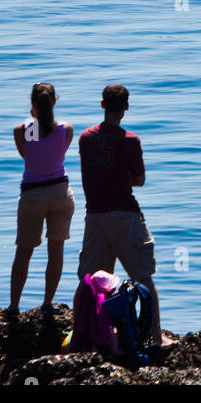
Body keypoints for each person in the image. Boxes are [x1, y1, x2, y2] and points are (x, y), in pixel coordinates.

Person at [74, 83, 174, 347]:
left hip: (94, 216)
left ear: (102, 104)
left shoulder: (85, 138)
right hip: (125, 216)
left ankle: (80, 333)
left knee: (89, 281)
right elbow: (139, 179)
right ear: (126, 107)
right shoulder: (130, 140)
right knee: (143, 278)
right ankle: (155, 337)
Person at [8, 82, 74, 317]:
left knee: (23, 252)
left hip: (33, 194)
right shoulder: (66, 128)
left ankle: (14, 307)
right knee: (55, 250)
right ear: (55, 102)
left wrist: (34, 118)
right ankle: (47, 303)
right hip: (59, 192)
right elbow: (58, 150)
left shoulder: (23, 130)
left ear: (32, 105)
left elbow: (28, 154)